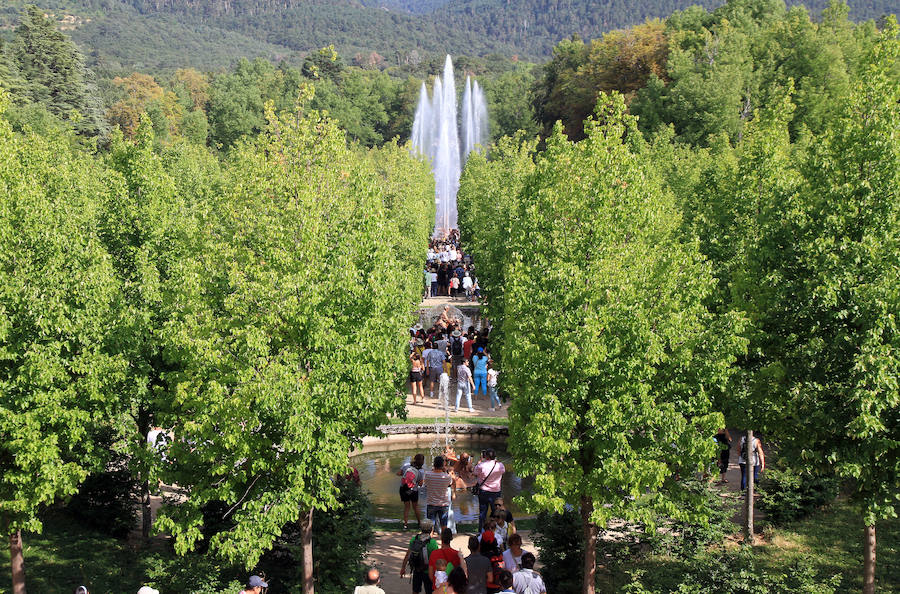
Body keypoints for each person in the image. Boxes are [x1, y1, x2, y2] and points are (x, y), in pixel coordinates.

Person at [401, 519, 439, 594]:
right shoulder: (433, 543)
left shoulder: (414, 539)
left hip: (417, 569)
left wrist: (403, 568)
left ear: (421, 529)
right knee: (429, 591)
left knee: (415, 590)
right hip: (428, 572)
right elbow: (436, 559)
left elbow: (407, 555)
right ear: (431, 529)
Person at [474, 449, 505, 532]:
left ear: (486, 456)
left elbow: (475, 472)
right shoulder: (500, 465)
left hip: (484, 492)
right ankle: (497, 531)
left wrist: (479, 463)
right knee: (496, 513)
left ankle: (481, 531)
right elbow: (502, 471)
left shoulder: (481, 465)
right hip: (496, 492)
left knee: (482, 513)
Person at [424, 456, 453, 530]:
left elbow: (425, 484)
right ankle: (444, 541)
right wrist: (445, 471)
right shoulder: (447, 477)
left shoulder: (428, 475)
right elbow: (449, 484)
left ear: (434, 464)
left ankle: (429, 540)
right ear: (443, 465)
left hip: (431, 503)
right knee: (444, 526)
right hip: (443, 504)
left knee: (430, 527)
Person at [398, 453, 426, 529]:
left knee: (406, 507)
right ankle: (419, 523)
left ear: (414, 459)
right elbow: (420, 484)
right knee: (415, 507)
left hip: (403, 489)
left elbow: (399, 473)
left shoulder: (406, 465)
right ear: (422, 461)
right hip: (413, 490)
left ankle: (405, 524)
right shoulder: (421, 471)